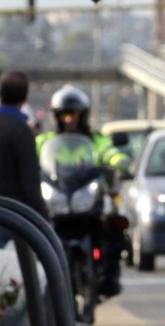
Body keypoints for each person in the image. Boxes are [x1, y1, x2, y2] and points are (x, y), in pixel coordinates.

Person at [36, 85, 128, 297]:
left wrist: (120, 161)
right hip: (59, 197)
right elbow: (32, 159)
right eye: (64, 115)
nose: (69, 120)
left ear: (82, 116)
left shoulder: (96, 139)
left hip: (87, 196)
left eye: (74, 115)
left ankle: (110, 276)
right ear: (57, 117)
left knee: (116, 225)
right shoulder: (45, 141)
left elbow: (109, 153)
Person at [0, 71, 47, 218]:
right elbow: (30, 183)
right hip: (13, 218)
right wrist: (43, 218)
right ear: (25, 97)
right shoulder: (22, 131)